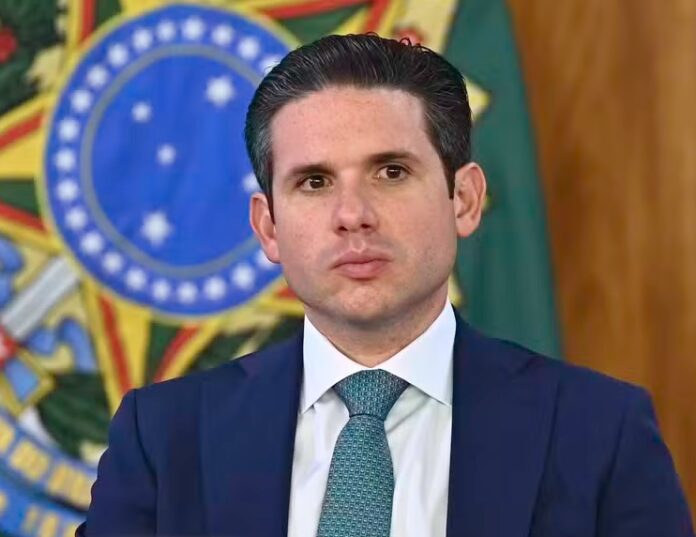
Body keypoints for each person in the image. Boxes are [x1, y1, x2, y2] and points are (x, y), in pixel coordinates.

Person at [78, 34, 693, 536]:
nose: (353, 214)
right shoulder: (162, 439)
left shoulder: (599, 431)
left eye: (391, 171)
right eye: (314, 182)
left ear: (464, 199)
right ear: (269, 228)